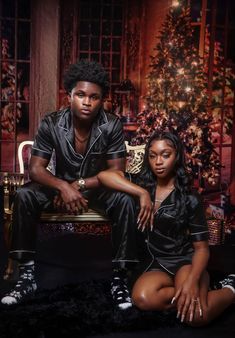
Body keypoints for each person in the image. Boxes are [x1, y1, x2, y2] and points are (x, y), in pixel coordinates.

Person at [1, 59, 138, 309]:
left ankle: (120, 277)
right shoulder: (52, 122)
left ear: (102, 100)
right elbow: (36, 169)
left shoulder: (112, 124)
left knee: (126, 200)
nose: (87, 102)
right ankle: (27, 275)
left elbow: (116, 172)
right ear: (69, 96)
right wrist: (63, 187)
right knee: (24, 195)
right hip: (58, 187)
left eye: (94, 97)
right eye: (81, 95)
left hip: (99, 188)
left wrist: (77, 185)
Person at [97, 130, 235, 326]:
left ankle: (230, 290)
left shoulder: (190, 198)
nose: (158, 162)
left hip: (185, 262)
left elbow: (202, 249)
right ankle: (198, 294)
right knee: (142, 298)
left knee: (196, 316)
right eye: (152, 156)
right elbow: (104, 176)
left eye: (165, 154)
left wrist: (190, 282)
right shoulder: (141, 185)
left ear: (176, 155)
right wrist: (142, 193)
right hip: (156, 262)